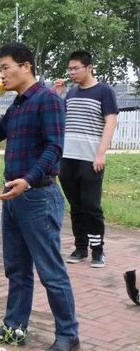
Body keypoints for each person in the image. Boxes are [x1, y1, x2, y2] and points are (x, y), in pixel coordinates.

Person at [0, 42, 79, 351]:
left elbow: (54, 148)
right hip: (14, 196)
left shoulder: (47, 100)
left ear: (26, 67)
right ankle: (14, 328)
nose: (1, 75)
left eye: (5, 68)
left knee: (50, 271)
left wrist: (29, 180)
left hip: (38, 196)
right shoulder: (19, 104)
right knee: (17, 268)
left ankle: (68, 334)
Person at [52, 51, 118, 268]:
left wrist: (101, 153)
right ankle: (80, 247)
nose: (72, 72)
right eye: (69, 69)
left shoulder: (104, 91)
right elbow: (61, 120)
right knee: (76, 205)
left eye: (76, 68)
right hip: (67, 158)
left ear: (89, 67)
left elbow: (111, 122)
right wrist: (58, 95)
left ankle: (97, 250)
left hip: (90, 158)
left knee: (91, 206)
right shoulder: (71, 93)